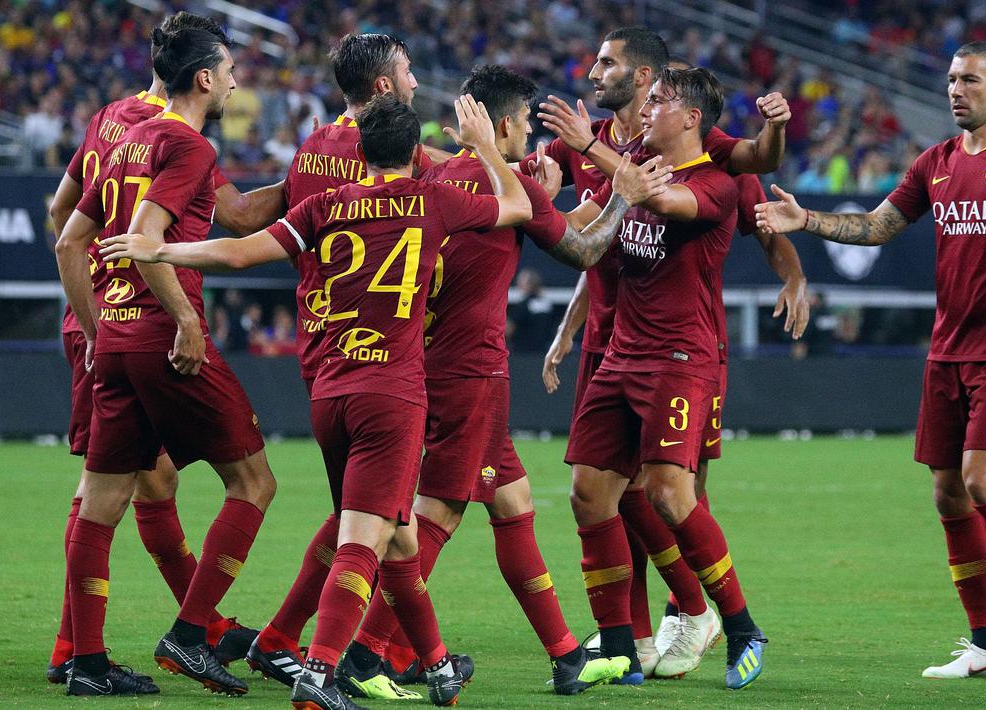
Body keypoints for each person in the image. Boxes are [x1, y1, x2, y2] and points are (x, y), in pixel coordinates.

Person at [100, 93, 532, 710]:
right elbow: (517, 204)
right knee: (365, 534)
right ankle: (318, 675)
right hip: (393, 393)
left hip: (330, 395)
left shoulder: (326, 204)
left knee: (396, 533)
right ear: (416, 153)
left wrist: (163, 249)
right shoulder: (434, 201)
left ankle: (437, 664)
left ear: (359, 152)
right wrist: (485, 143)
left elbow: (240, 250)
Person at [335, 63, 669, 697]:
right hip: (471, 373)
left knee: (513, 504)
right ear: (509, 124)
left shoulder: (438, 178)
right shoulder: (512, 186)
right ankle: (366, 649)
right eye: (523, 125)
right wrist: (628, 191)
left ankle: (565, 654)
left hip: (425, 361)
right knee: (439, 511)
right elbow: (585, 249)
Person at [757, 41, 986, 680]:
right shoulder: (934, 161)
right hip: (949, 348)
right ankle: (984, 639)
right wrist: (808, 220)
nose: (956, 90)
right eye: (952, 79)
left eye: (971, 80)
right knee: (949, 494)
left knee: (984, 481)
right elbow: (877, 226)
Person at [536, 34, 791, 679]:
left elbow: (662, 202)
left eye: (661, 100)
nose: (647, 107)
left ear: (690, 119)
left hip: (682, 358)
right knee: (590, 494)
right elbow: (580, 237)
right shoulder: (632, 165)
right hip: (619, 353)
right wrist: (530, 190)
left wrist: (591, 149)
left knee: (670, 495)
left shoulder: (717, 183)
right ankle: (621, 647)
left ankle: (739, 626)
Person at [44, 12, 283, 686]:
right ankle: (190, 632)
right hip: (158, 335)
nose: (236, 84)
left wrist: (96, 333)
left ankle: (85, 661)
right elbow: (149, 238)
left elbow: (67, 238)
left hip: (114, 334)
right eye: (231, 72)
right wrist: (185, 321)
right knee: (254, 482)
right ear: (205, 77)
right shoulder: (190, 146)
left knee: (102, 499)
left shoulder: (123, 135)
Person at [242, 34, 435, 699]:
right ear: (382, 88)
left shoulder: (312, 148)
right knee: (373, 521)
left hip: (323, 349)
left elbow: (266, 227)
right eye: (407, 72)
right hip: (380, 358)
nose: (414, 82)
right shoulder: (397, 159)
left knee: (361, 517)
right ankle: (345, 657)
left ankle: (296, 643)